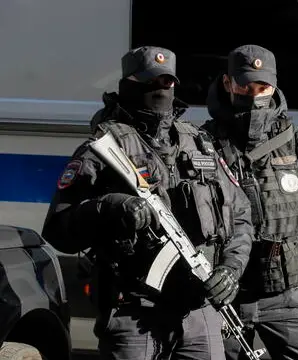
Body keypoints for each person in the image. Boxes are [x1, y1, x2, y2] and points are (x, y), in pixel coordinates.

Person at [41, 46, 255, 360]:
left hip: (199, 312)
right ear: (129, 84)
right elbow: (58, 228)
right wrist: (111, 207)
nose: (161, 89)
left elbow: (241, 217)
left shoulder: (199, 143)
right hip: (134, 312)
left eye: (168, 82)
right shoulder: (104, 147)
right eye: (151, 82)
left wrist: (230, 270)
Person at [201, 44, 298, 360]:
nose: (254, 95)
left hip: (286, 297)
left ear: (274, 86)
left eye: (263, 87)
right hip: (225, 297)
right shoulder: (201, 145)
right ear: (228, 84)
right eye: (245, 86)